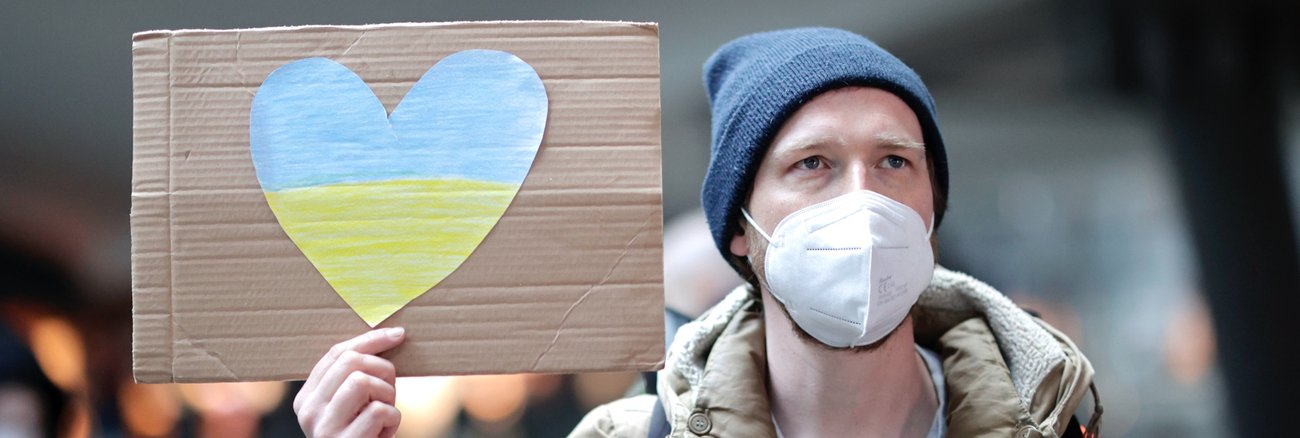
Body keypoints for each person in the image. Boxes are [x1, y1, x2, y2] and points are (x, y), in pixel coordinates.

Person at [294, 27, 1102, 438]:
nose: (862, 202)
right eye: (813, 165)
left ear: (932, 208)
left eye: (894, 163)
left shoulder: (1056, 417)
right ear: (741, 231)